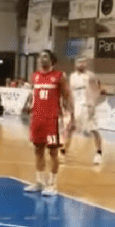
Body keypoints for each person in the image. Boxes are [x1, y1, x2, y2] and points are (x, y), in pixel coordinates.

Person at [24, 50, 73, 197]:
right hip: (37, 118)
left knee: (53, 152)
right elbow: (32, 95)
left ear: (52, 59)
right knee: (38, 150)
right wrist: (28, 105)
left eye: (45, 56)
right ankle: (40, 182)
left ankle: (52, 184)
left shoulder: (59, 76)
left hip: (52, 119)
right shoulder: (35, 76)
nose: (42, 59)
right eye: (40, 57)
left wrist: (70, 116)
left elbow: (67, 96)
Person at [61, 57, 104, 166]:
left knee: (93, 129)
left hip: (88, 106)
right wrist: (70, 105)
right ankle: (63, 151)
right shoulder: (72, 76)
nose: (81, 64)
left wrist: (93, 103)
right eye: (79, 62)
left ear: (86, 64)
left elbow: (97, 89)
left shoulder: (90, 75)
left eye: (83, 62)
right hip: (76, 106)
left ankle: (99, 153)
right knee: (70, 128)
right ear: (75, 64)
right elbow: (70, 92)